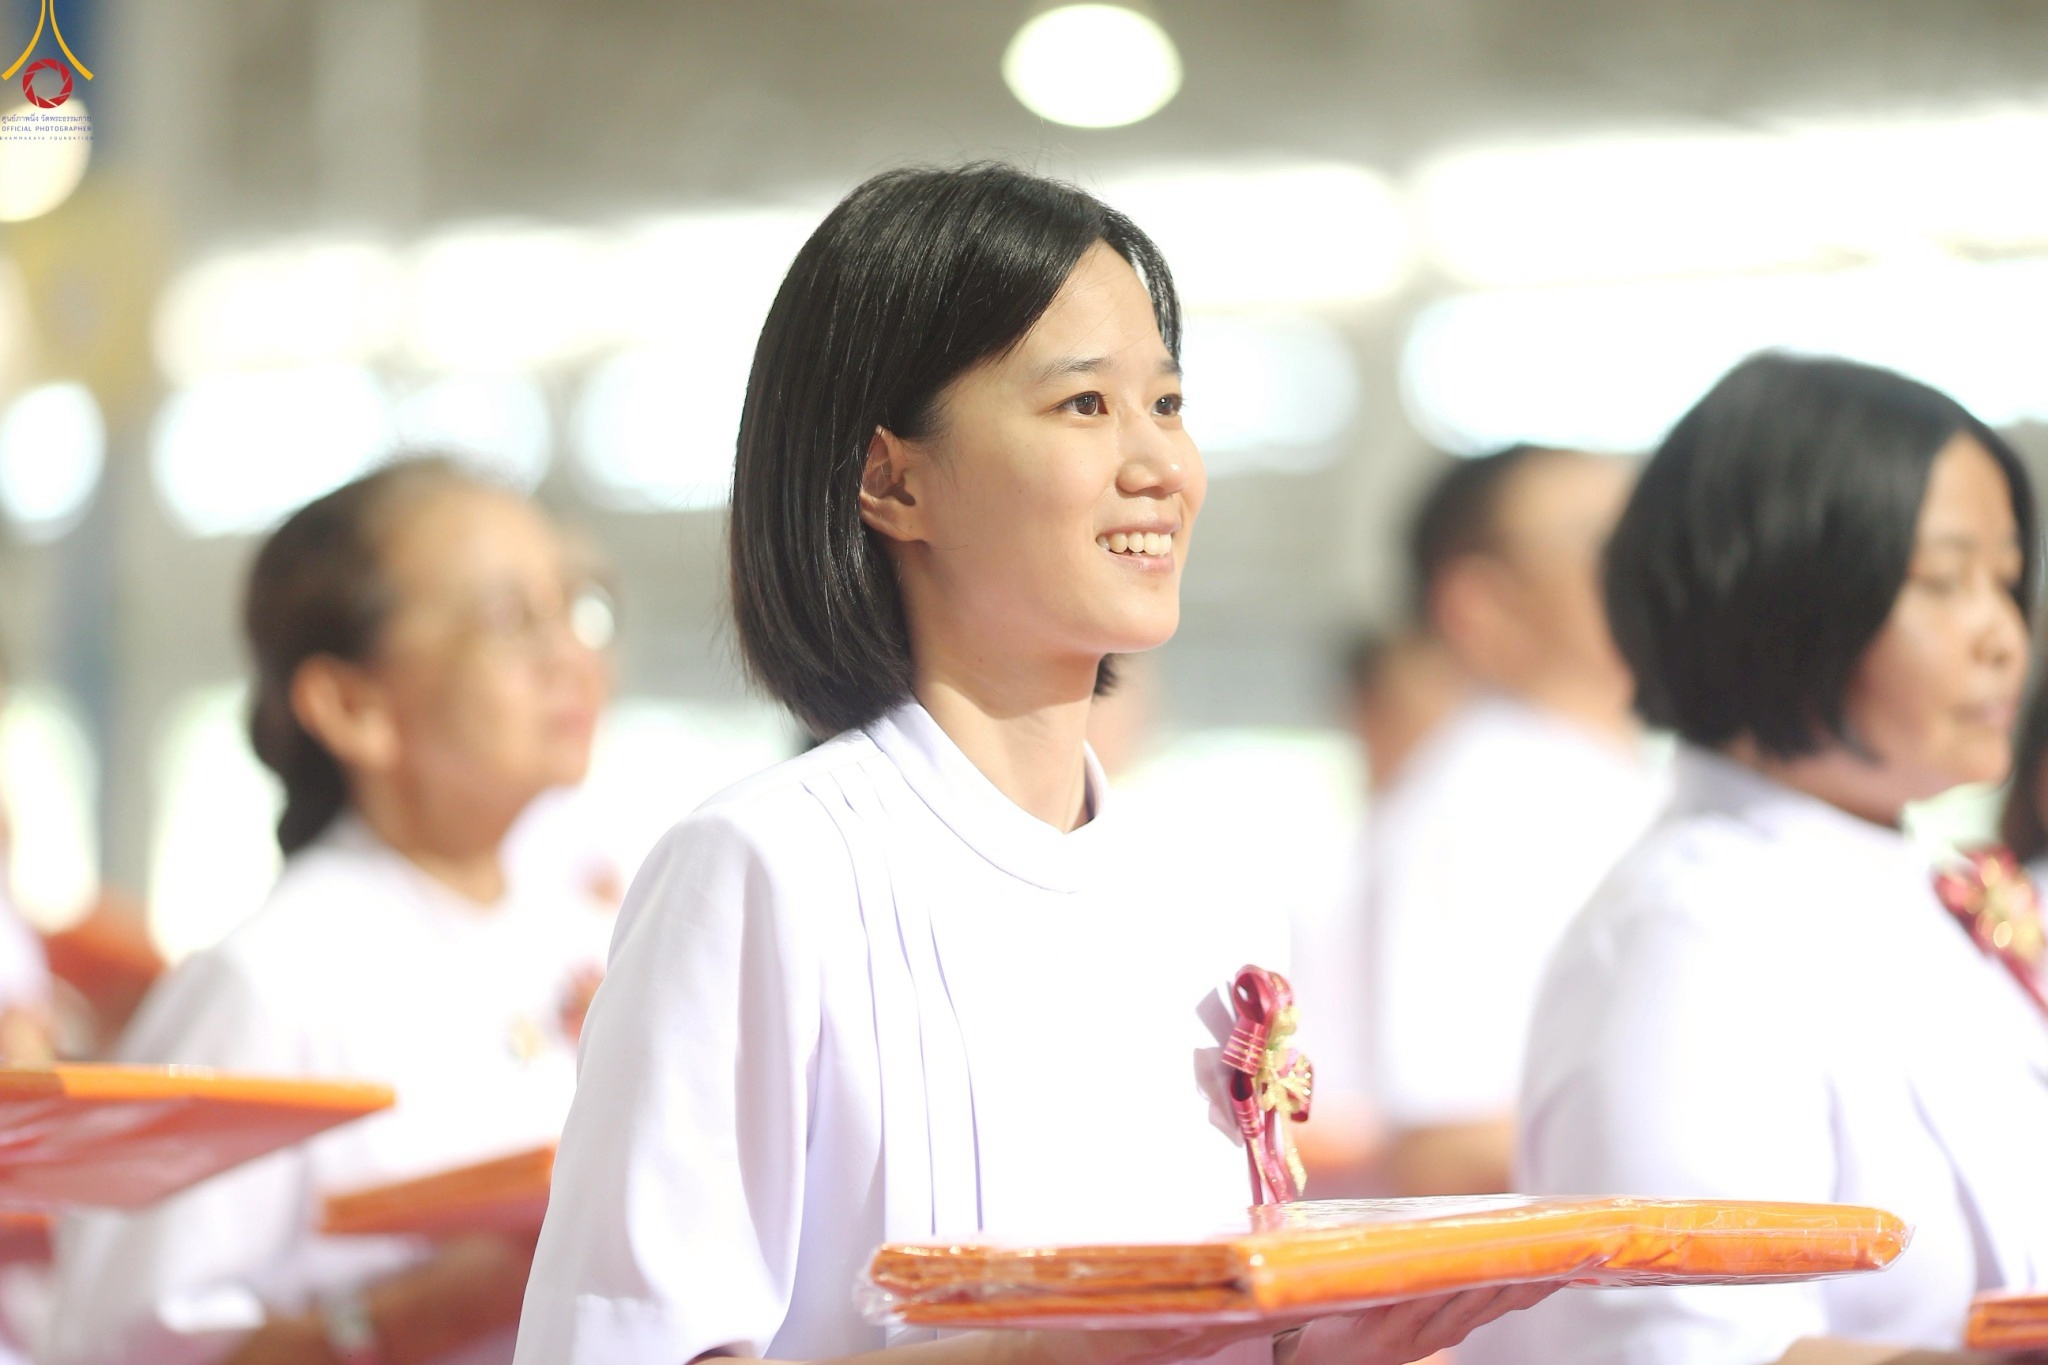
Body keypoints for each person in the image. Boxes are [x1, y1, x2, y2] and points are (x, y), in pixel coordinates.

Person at [515, 164, 1554, 1365]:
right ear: (890, 480)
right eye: (1082, 407)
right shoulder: (767, 868)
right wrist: (1044, 1351)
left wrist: (1327, 1339)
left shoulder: (1206, 893)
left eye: (1166, 404)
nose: (1160, 465)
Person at [1467, 353, 2048, 1363]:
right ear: (1781, 593)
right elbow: (1690, 1352)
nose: (2002, 635)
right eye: (1942, 582)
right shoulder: (1686, 935)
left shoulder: (1915, 887)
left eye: (2003, 582)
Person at [47, 458, 617, 1365]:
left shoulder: (595, 933)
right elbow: (118, 1348)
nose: (573, 655)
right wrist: (421, 1310)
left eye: (579, 605)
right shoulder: (271, 981)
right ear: (351, 704)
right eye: (509, 619)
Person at [1361, 445, 1665, 1197]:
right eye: (1610, 540)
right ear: (1480, 603)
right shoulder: (1477, 809)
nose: (1658, 562)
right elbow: (1449, 1143)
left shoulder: (1613, 779)